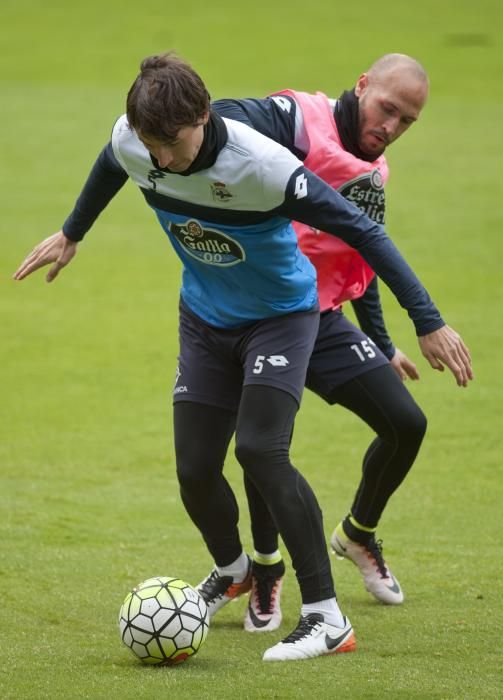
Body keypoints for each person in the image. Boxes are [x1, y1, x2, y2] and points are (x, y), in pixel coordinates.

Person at [14, 52, 472, 662]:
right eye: (151, 146)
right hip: (204, 318)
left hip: (280, 319)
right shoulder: (138, 141)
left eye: (172, 145)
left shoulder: (262, 167)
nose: (162, 162)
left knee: (260, 448)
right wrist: (73, 232)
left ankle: (325, 617)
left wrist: (427, 320)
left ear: (203, 117)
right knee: (195, 468)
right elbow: (114, 159)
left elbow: (363, 232)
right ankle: (233, 572)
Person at [198, 54, 473, 633]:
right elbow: (224, 124)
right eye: (387, 109)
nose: (391, 127)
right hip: (261, 316)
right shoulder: (302, 122)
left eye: (406, 122)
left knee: (406, 423)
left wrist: (381, 341)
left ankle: (358, 533)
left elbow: (358, 251)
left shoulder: (373, 171)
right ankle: (268, 572)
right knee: (263, 444)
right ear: (362, 85)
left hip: (319, 321)